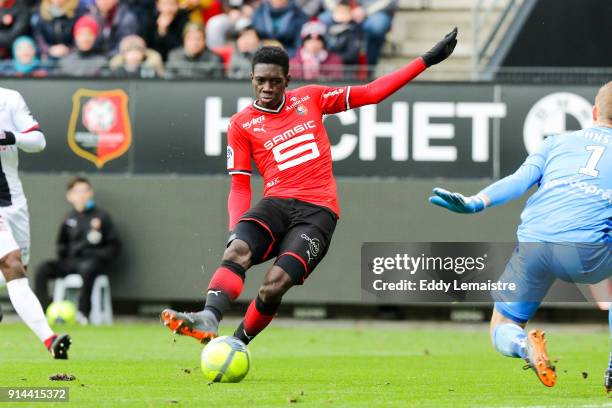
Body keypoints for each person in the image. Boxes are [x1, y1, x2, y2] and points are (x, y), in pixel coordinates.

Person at [161, 29, 458, 346]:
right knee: (237, 250)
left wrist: (426, 60)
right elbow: (239, 185)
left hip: (317, 212)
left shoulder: (311, 98)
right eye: (261, 80)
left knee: (273, 285)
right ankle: (209, 317)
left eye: (275, 81)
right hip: (274, 204)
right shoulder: (241, 123)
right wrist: (236, 227)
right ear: (251, 79)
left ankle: (237, 343)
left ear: (287, 80)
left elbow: (372, 93)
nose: (267, 88)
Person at [429, 81, 612, 389]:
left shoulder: (557, 142)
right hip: (588, 251)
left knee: (503, 325)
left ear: (594, 112)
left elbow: (518, 181)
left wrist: (475, 202)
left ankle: (523, 346)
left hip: (535, 244)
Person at [0, 87, 71, 359]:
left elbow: (38, 141)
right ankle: (50, 340)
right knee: (11, 261)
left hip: (13, 202)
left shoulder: (9, 99)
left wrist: (9, 136)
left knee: (17, 270)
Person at [34, 177, 120, 325]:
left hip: (92, 262)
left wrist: (96, 255)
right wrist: (66, 255)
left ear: (90, 193)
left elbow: (115, 247)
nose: (81, 195)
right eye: (77, 191)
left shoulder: (102, 217)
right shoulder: (68, 218)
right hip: (70, 262)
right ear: (69, 196)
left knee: (88, 268)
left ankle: (83, 314)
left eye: (84, 191)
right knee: (41, 269)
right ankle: (45, 313)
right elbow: (61, 245)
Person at [319, 0, 396, 66]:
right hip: (340, 8)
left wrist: (365, 11)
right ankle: (327, 64)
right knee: (323, 20)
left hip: (372, 11)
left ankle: (369, 68)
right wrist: (339, 10)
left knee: (377, 25)